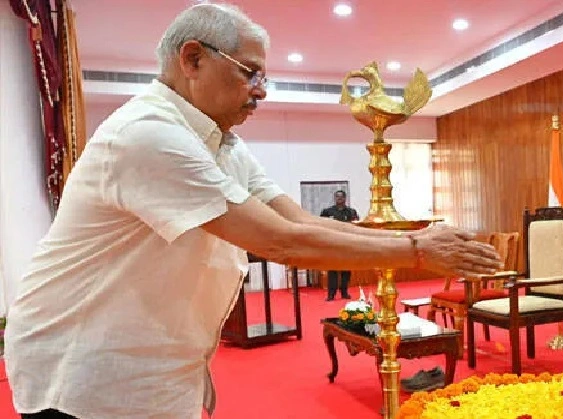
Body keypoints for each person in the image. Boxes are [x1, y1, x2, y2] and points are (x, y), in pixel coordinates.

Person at [3, 4, 502, 419]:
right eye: (250, 73)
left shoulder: (225, 143)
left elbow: (297, 221)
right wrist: (416, 251)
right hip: (87, 371)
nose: (262, 90)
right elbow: (279, 242)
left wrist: (414, 242)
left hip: (153, 362)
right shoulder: (147, 134)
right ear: (192, 59)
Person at [320, 190, 359, 300]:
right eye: (337, 197)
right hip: (332, 244)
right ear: (334, 198)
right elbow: (321, 226)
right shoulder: (327, 211)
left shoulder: (351, 212)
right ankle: (331, 294)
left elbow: (356, 227)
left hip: (347, 244)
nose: (339, 199)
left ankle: (344, 292)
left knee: (346, 271)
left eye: (341, 197)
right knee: (332, 270)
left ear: (345, 198)